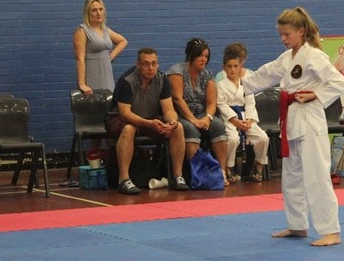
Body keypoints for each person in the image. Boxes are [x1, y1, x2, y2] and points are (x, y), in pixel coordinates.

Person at [242, 7, 344, 247]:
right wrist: (235, 86)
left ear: (301, 31)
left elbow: (338, 82)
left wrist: (315, 95)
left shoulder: (314, 56)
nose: (283, 38)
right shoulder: (287, 58)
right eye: (280, 34)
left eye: (286, 34)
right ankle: (297, 224)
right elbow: (264, 75)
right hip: (291, 120)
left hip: (310, 120)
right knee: (291, 176)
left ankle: (331, 230)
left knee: (317, 176)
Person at [106, 48, 187, 194]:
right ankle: (123, 179)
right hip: (122, 119)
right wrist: (149, 123)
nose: (151, 68)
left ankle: (177, 176)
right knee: (129, 129)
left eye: (154, 63)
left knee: (178, 128)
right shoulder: (126, 81)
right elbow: (125, 114)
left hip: (150, 118)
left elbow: (168, 110)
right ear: (138, 65)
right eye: (146, 64)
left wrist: (172, 122)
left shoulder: (162, 79)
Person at [168, 38, 230, 185]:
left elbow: (212, 102)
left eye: (206, 56)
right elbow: (177, 99)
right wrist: (193, 119)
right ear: (191, 55)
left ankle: (221, 172)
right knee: (190, 129)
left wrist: (207, 118)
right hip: (181, 114)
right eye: (200, 56)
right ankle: (197, 173)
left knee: (217, 125)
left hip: (202, 114)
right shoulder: (177, 71)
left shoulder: (207, 75)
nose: (204, 59)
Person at [216, 48, 268, 183]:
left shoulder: (246, 83)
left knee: (263, 138)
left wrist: (249, 119)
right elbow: (221, 105)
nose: (233, 69)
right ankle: (229, 167)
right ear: (224, 68)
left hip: (246, 117)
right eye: (229, 66)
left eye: (235, 66)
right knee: (233, 140)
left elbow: (250, 102)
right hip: (230, 119)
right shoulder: (220, 85)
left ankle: (258, 164)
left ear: (240, 67)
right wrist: (235, 121)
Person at [73, 0, 127, 96]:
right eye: (94, 10)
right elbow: (80, 59)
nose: (99, 13)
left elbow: (123, 41)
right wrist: (82, 84)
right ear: (88, 13)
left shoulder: (105, 30)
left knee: (109, 101)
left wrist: (111, 56)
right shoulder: (82, 30)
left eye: (101, 9)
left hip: (107, 75)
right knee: (94, 103)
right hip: (92, 75)